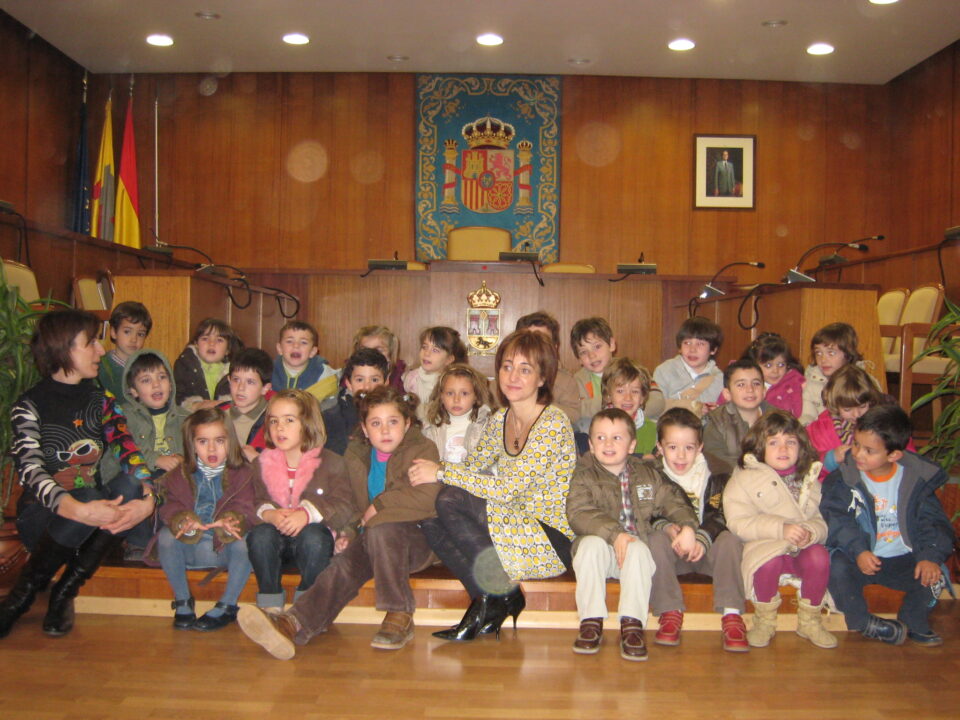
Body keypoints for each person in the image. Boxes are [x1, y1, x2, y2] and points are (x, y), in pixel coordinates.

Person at [237, 387, 440, 658]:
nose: (385, 430)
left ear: (407, 423)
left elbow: (426, 499)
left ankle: (399, 613)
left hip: (418, 540)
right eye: (375, 423)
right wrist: (349, 532)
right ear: (365, 430)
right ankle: (293, 622)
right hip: (373, 538)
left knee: (381, 529)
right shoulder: (356, 454)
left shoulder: (422, 448)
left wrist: (378, 506)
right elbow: (354, 507)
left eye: (393, 422)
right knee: (343, 566)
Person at [408, 329, 576, 642]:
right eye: (506, 366)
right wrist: (430, 470)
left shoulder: (554, 422)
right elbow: (473, 469)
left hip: (548, 537)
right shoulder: (500, 418)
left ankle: (496, 598)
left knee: (450, 500)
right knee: (430, 519)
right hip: (509, 525)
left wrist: (442, 471)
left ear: (542, 378)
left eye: (525, 369)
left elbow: (507, 489)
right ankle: (493, 597)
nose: (512, 376)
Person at [1, 310, 156, 639]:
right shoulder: (28, 405)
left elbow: (129, 453)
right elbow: (31, 470)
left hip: (95, 514)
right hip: (44, 518)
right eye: (91, 343)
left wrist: (149, 499)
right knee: (86, 496)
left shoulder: (103, 400)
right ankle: (19, 599)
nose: (100, 350)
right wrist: (75, 508)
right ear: (64, 349)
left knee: (128, 485)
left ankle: (65, 591)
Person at [567, 408, 699, 661]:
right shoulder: (583, 475)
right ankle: (590, 621)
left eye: (617, 438)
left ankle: (632, 624)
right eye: (601, 438)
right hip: (601, 552)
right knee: (590, 545)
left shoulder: (647, 473)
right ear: (591, 445)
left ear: (632, 445)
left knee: (639, 548)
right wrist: (616, 534)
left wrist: (688, 526)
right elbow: (579, 513)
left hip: (634, 556)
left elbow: (674, 501)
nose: (608, 443)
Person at [821, 406, 955, 647]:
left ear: (893, 455)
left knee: (935, 575)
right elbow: (838, 520)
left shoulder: (916, 480)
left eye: (869, 450)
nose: (858, 454)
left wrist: (929, 557)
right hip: (860, 557)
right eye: (856, 445)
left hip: (903, 558)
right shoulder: (843, 478)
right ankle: (863, 621)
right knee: (835, 566)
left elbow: (934, 523)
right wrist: (859, 550)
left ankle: (913, 618)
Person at [723, 410, 836, 649]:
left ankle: (810, 620)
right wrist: (780, 528)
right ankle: (764, 620)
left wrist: (811, 532)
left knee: (819, 556)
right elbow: (738, 521)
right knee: (768, 562)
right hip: (765, 544)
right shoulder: (745, 477)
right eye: (773, 442)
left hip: (801, 548)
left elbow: (822, 520)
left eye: (790, 442)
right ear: (759, 447)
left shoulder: (809, 478)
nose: (783, 449)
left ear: (801, 447)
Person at [646, 408, 747, 652]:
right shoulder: (649, 474)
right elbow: (645, 513)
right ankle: (669, 610)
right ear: (659, 447)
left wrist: (703, 538)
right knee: (654, 540)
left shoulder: (721, 471)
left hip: (708, 550)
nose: (680, 456)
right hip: (672, 552)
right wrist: (669, 528)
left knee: (731, 541)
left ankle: (732, 614)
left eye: (689, 448)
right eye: (672, 447)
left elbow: (724, 513)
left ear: (700, 447)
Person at [247, 390, 354, 612]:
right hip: (276, 546)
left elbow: (344, 505)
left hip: (314, 548)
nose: (279, 428)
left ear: (307, 424)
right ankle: (270, 606)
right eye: (273, 421)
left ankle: (306, 608)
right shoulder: (261, 464)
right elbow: (253, 500)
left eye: (289, 420)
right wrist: (269, 514)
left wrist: (306, 514)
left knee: (315, 535)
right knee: (260, 535)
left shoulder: (331, 462)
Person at [154, 407, 255, 631]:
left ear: (231, 441)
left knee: (246, 540)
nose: (211, 448)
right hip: (192, 546)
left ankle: (228, 604)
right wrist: (184, 522)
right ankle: (182, 601)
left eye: (219, 441)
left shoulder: (244, 473)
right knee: (165, 536)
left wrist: (230, 522)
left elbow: (248, 508)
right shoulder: (179, 475)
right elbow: (169, 507)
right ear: (191, 444)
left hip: (225, 548)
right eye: (202, 442)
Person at [806, 364, 913, 481]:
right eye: (847, 409)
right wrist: (830, 459)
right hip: (839, 490)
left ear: (871, 401)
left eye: (862, 406)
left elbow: (909, 459)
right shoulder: (820, 430)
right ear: (835, 405)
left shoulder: (887, 424)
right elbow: (805, 467)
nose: (856, 414)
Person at [574, 357, 658, 457]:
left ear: (643, 397)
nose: (628, 398)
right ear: (608, 395)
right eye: (620, 391)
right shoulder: (594, 427)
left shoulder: (653, 429)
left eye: (635, 391)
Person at [799, 322, 879, 425]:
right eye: (818, 353)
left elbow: (877, 417)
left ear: (847, 354)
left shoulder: (866, 382)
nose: (823, 359)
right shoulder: (812, 383)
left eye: (831, 353)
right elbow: (808, 415)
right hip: (824, 434)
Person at [515, 311, 584, 424]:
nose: (535, 346)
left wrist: (540, 405)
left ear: (554, 348)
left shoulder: (565, 381)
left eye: (542, 340)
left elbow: (574, 415)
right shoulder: (507, 376)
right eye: (528, 340)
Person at [702, 358, 769, 474]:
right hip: (732, 484)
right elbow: (717, 463)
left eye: (756, 383)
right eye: (741, 384)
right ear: (727, 394)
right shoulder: (715, 422)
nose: (750, 390)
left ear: (764, 391)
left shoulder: (779, 419)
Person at [421, 363, 494, 464]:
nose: (456, 399)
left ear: (476, 396)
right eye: (450, 393)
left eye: (464, 393)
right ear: (441, 396)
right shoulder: (430, 428)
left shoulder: (486, 426)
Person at [322, 347, 387, 456]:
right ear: (348, 384)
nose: (367, 386)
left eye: (374, 380)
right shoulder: (333, 416)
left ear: (386, 382)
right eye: (359, 380)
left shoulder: (395, 411)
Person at [653, 316, 724, 415]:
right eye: (687, 343)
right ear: (680, 347)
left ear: (713, 350)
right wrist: (688, 405)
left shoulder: (720, 379)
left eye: (700, 344)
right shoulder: (664, 371)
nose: (692, 349)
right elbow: (655, 408)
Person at [218, 348, 275, 462]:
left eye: (250, 382)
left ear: (265, 388)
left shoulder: (275, 421)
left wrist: (257, 461)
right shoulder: (216, 416)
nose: (241, 388)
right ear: (229, 380)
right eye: (236, 380)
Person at [402, 326, 467, 423]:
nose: (427, 353)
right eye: (424, 347)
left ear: (449, 359)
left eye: (435, 350)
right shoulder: (411, 378)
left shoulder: (451, 383)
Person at [174, 317, 241, 410]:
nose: (211, 343)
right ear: (196, 345)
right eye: (205, 338)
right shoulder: (185, 365)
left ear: (228, 350)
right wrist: (196, 405)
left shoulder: (236, 372)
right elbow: (178, 396)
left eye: (219, 340)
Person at [737, 332, 804, 418]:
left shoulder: (794, 384)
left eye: (781, 365)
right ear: (754, 364)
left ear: (787, 365)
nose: (775, 371)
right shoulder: (742, 383)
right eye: (768, 365)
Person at [272, 320, 338, 404]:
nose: (296, 346)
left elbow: (329, 406)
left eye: (303, 342)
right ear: (279, 348)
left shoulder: (323, 374)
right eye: (289, 341)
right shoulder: (268, 370)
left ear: (313, 352)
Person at [98, 300, 152, 399]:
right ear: (114, 332)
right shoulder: (101, 367)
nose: (134, 339)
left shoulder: (149, 368)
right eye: (127, 332)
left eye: (140, 334)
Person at [570, 317, 617, 420]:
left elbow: (657, 401)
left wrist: (630, 402)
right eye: (583, 352)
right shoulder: (576, 381)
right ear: (579, 359)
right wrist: (609, 400)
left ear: (612, 344)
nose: (591, 355)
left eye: (597, 347)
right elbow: (576, 408)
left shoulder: (630, 369)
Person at [351, 325, 406, 392]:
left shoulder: (401, 376)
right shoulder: (351, 371)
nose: (371, 354)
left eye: (378, 350)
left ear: (390, 353)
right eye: (365, 350)